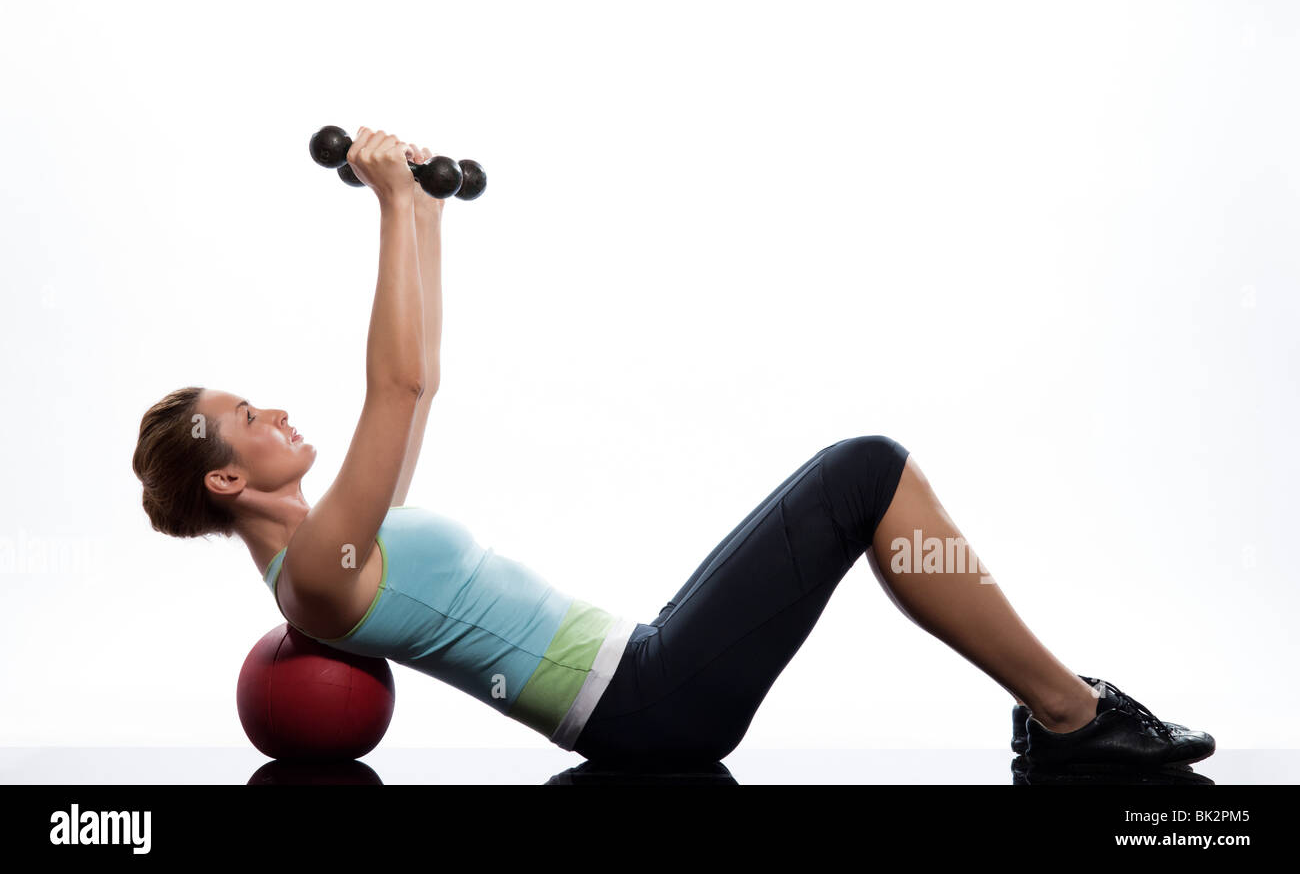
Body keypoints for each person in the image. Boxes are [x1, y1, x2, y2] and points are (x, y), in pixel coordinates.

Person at [131, 127, 1214, 770]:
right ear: (227, 478)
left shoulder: (336, 542)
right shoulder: (315, 575)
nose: (276, 410)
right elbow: (395, 380)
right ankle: (1069, 718)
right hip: (647, 704)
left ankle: (1058, 712)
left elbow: (420, 393)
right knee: (865, 468)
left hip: (643, 667)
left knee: (862, 474)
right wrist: (380, 205)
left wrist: (425, 215)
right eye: (249, 416)